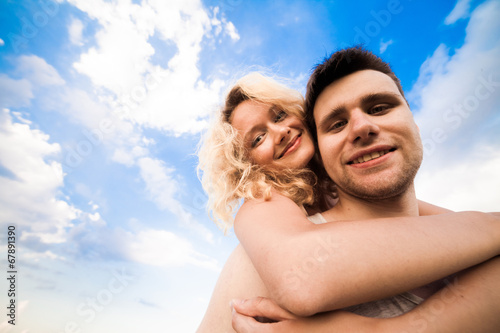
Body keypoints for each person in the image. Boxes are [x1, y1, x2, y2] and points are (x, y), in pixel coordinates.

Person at [196, 64, 500, 332]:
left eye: (280, 115)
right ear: (245, 166)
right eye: (258, 138)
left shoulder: (343, 194)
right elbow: (300, 277)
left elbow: (430, 221)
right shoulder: (264, 201)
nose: (280, 132)